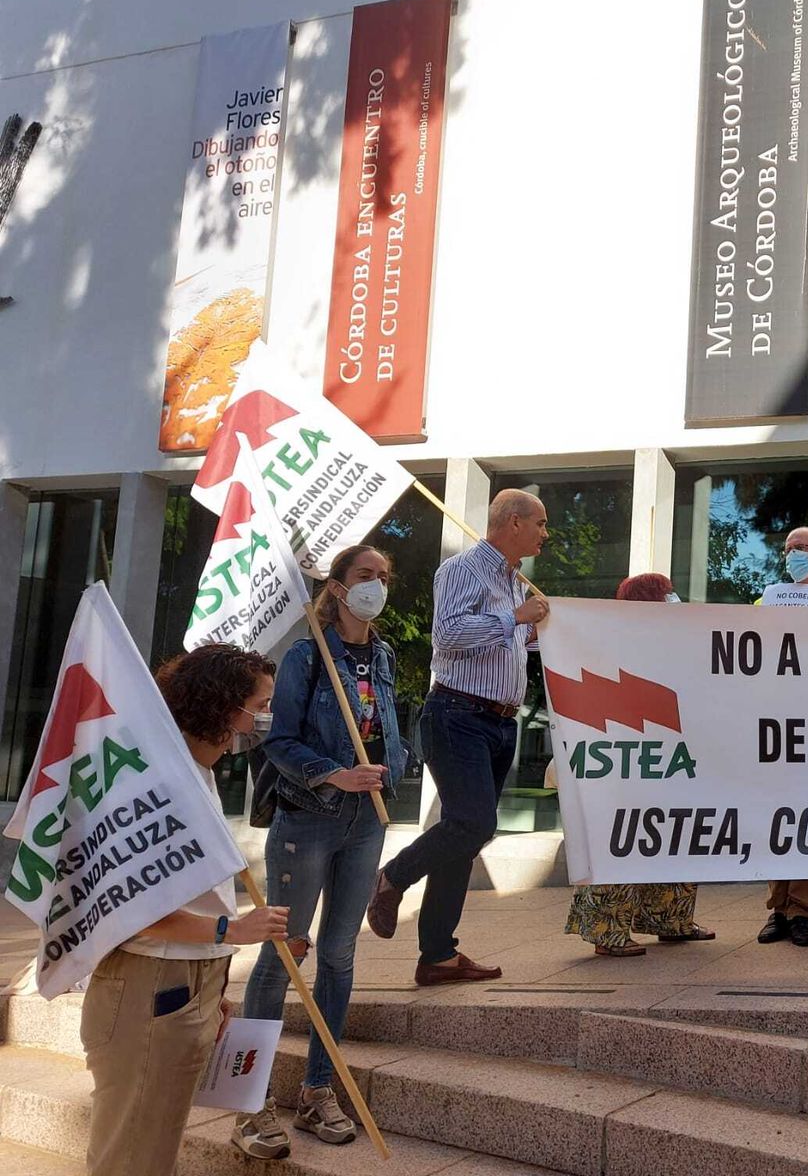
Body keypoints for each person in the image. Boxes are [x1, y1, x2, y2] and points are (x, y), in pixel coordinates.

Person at [80, 644, 289, 1176]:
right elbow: (129, 905)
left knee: (149, 1150)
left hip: (180, 984)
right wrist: (232, 930)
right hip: (153, 986)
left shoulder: (196, 770)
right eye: (259, 704)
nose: (265, 718)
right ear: (222, 705)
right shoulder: (157, 776)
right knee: (133, 1156)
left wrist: (212, 986)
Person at [233, 546, 406, 1159]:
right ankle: (246, 1102)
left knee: (338, 955)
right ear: (336, 588)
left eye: (383, 578)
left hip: (366, 822)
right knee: (282, 953)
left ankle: (316, 1091)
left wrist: (395, 766)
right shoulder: (306, 656)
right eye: (365, 577)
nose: (376, 587)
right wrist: (332, 773)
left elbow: (388, 728)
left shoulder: (383, 655)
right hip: (307, 820)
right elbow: (276, 740)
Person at [366, 490, 550, 985]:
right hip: (457, 713)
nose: (545, 534)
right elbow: (447, 636)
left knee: (465, 835)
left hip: (498, 720)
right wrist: (515, 618)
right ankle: (391, 878)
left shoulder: (515, 583)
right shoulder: (462, 569)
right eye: (540, 523)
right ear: (513, 523)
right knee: (471, 823)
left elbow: (500, 640)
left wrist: (531, 633)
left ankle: (438, 956)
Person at [565, 573, 716, 956]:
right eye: (665, 593)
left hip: (673, 753)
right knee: (622, 839)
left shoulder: (673, 641)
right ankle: (606, 932)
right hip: (627, 758)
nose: (673, 599)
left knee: (678, 833)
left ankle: (672, 919)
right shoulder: (612, 640)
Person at [755, 525, 808, 948]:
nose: (791, 556)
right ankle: (776, 909)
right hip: (775, 726)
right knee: (776, 817)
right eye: (787, 550)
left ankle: (802, 911)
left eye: (800, 549)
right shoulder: (765, 602)